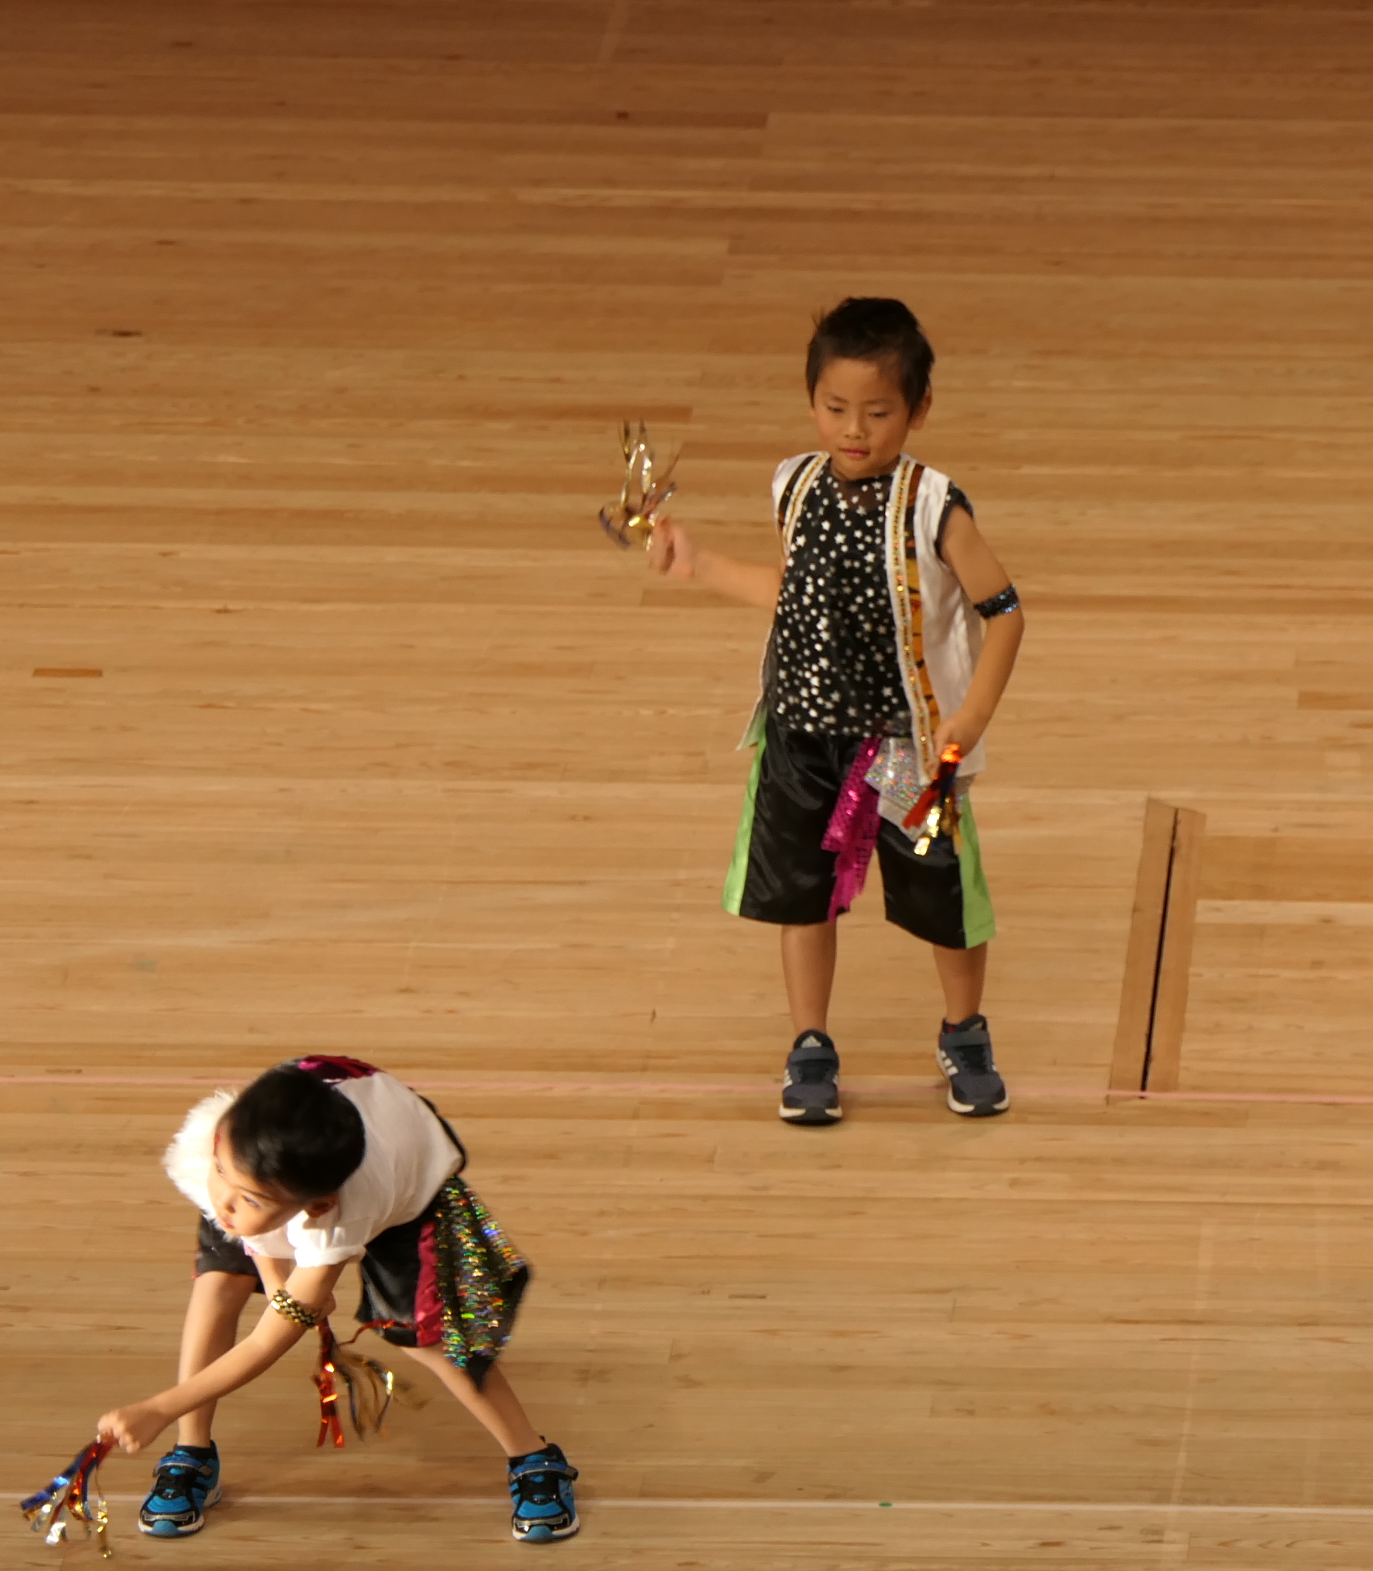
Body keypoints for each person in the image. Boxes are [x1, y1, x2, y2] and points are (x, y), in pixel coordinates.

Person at [647, 298, 1025, 1125]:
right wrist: (698, 562)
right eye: (835, 407)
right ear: (811, 398)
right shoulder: (794, 483)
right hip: (801, 738)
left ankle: (964, 1033)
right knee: (803, 897)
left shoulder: (935, 507)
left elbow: (1004, 611)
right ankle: (810, 1044)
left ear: (919, 408)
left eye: (879, 411)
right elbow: (794, 594)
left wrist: (973, 715)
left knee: (944, 896)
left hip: (905, 748)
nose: (855, 429)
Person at [100, 1057, 579, 1543]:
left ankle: (534, 1456)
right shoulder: (241, 1143)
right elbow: (255, 1232)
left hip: (411, 1190)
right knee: (219, 1285)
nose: (224, 1201)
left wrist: (159, 1406)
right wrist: (283, 1285)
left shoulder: (343, 1214)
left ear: (317, 1206)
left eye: (250, 1200)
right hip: (306, 1147)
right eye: (219, 1171)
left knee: (429, 1337)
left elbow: (268, 1340)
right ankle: (192, 1452)